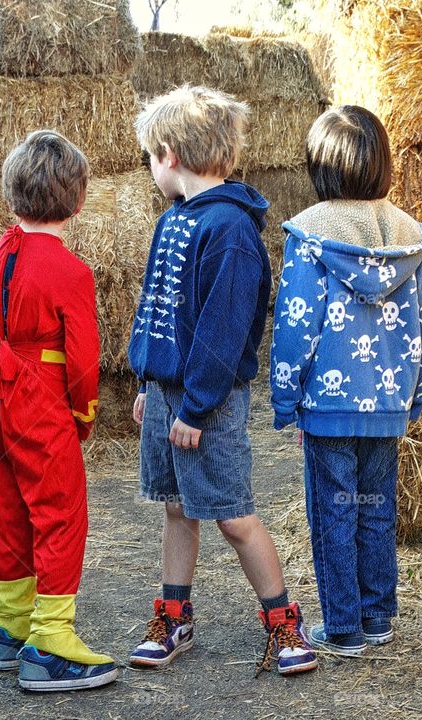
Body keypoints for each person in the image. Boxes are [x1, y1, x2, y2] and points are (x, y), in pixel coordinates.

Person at [127, 85, 318, 676]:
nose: (151, 169)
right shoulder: (173, 222)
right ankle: (174, 615)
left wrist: (197, 406)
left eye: (149, 159)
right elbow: (157, 307)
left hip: (205, 403)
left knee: (232, 514)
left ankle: (284, 624)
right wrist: (146, 380)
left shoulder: (231, 231)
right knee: (178, 509)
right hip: (167, 396)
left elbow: (224, 328)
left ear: (168, 153)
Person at [270, 105, 422, 656]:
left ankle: (342, 627)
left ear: (321, 166)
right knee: (375, 507)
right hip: (386, 401)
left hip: (328, 404)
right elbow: (421, 325)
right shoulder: (407, 236)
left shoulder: (311, 234)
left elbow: (296, 323)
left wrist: (285, 396)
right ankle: (378, 616)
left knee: (335, 508)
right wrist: (415, 395)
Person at [0, 129, 117, 691]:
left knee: (8, 509)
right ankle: (51, 642)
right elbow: (84, 357)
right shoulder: (70, 270)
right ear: (78, 201)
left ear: (12, 194)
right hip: (40, 401)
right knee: (59, 511)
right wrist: (83, 414)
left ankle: (9, 629)